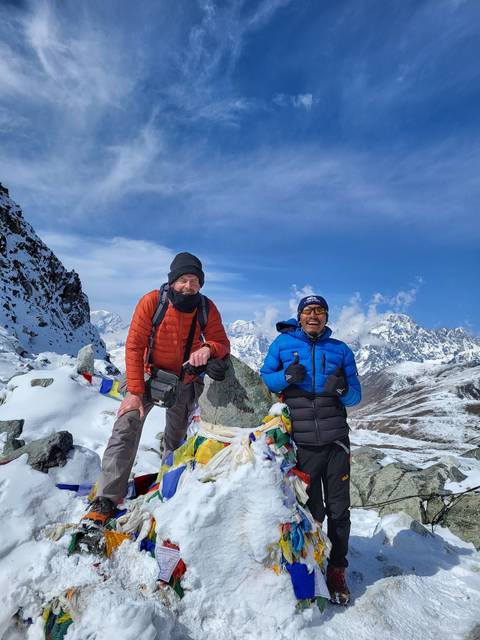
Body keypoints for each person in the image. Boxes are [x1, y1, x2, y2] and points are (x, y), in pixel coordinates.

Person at [84, 252, 230, 525]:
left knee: (176, 439)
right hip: (147, 375)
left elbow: (221, 341)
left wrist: (208, 349)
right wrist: (135, 392)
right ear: (173, 281)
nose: (189, 286)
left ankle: (168, 490)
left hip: (184, 381)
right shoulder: (152, 301)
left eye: (195, 281)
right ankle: (106, 498)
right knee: (126, 427)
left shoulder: (206, 308)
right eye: (184, 280)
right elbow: (135, 344)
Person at [260, 294, 361, 605]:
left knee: (339, 511)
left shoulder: (340, 349)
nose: (314, 316)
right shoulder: (282, 344)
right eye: (308, 311)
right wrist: (286, 378)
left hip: (335, 444)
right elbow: (266, 378)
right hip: (302, 444)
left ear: (326, 317)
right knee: (311, 511)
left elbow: (356, 394)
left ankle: (337, 568)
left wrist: (342, 390)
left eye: (320, 311)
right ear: (300, 316)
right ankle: (314, 559)